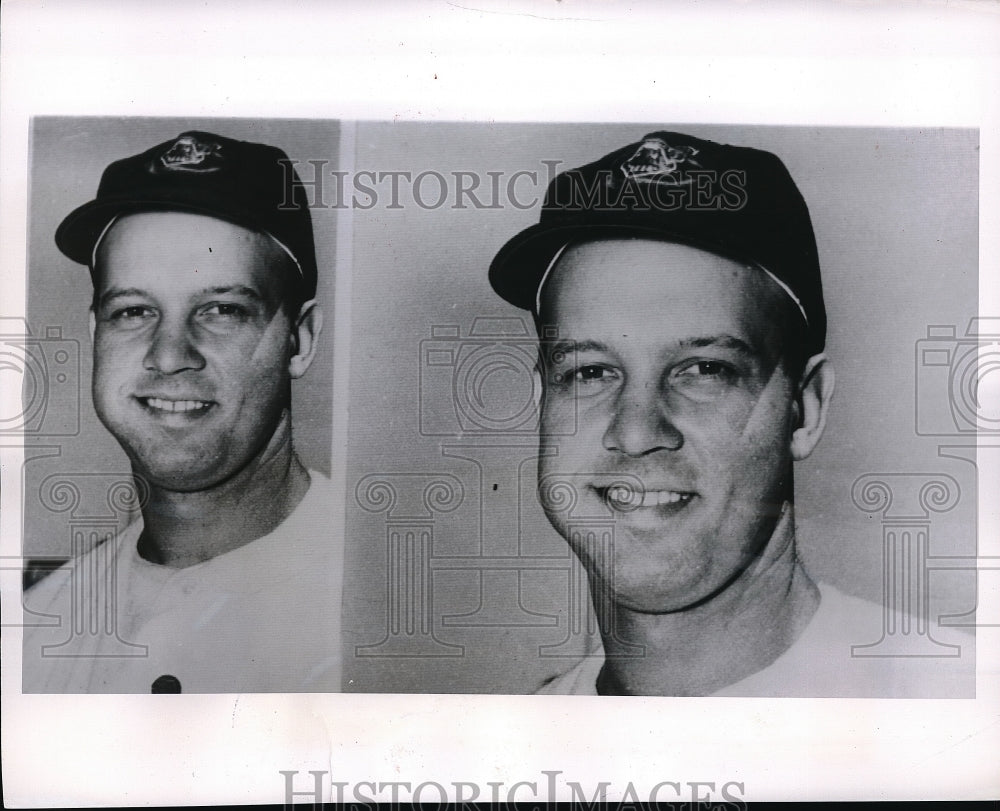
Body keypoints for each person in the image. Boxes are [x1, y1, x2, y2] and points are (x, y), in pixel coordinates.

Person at [489, 130, 973, 697]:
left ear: (805, 408)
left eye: (704, 370)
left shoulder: (956, 703)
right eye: (590, 372)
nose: (637, 430)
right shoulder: (514, 744)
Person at [22, 131, 342, 693]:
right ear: (96, 332)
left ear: (300, 340)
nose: (170, 356)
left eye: (221, 310)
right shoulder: (36, 626)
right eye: (133, 311)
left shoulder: (375, 600)